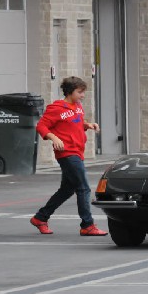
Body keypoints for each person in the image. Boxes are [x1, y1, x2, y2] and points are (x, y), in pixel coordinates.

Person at [30, 76, 108, 236]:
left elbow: (75, 123)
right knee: (84, 188)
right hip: (67, 153)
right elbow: (41, 126)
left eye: (83, 92)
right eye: (80, 92)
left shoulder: (77, 106)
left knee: (67, 190)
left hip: (77, 151)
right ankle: (87, 225)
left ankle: (40, 217)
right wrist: (54, 137)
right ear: (70, 92)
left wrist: (87, 125)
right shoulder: (56, 108)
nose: (83, 95)